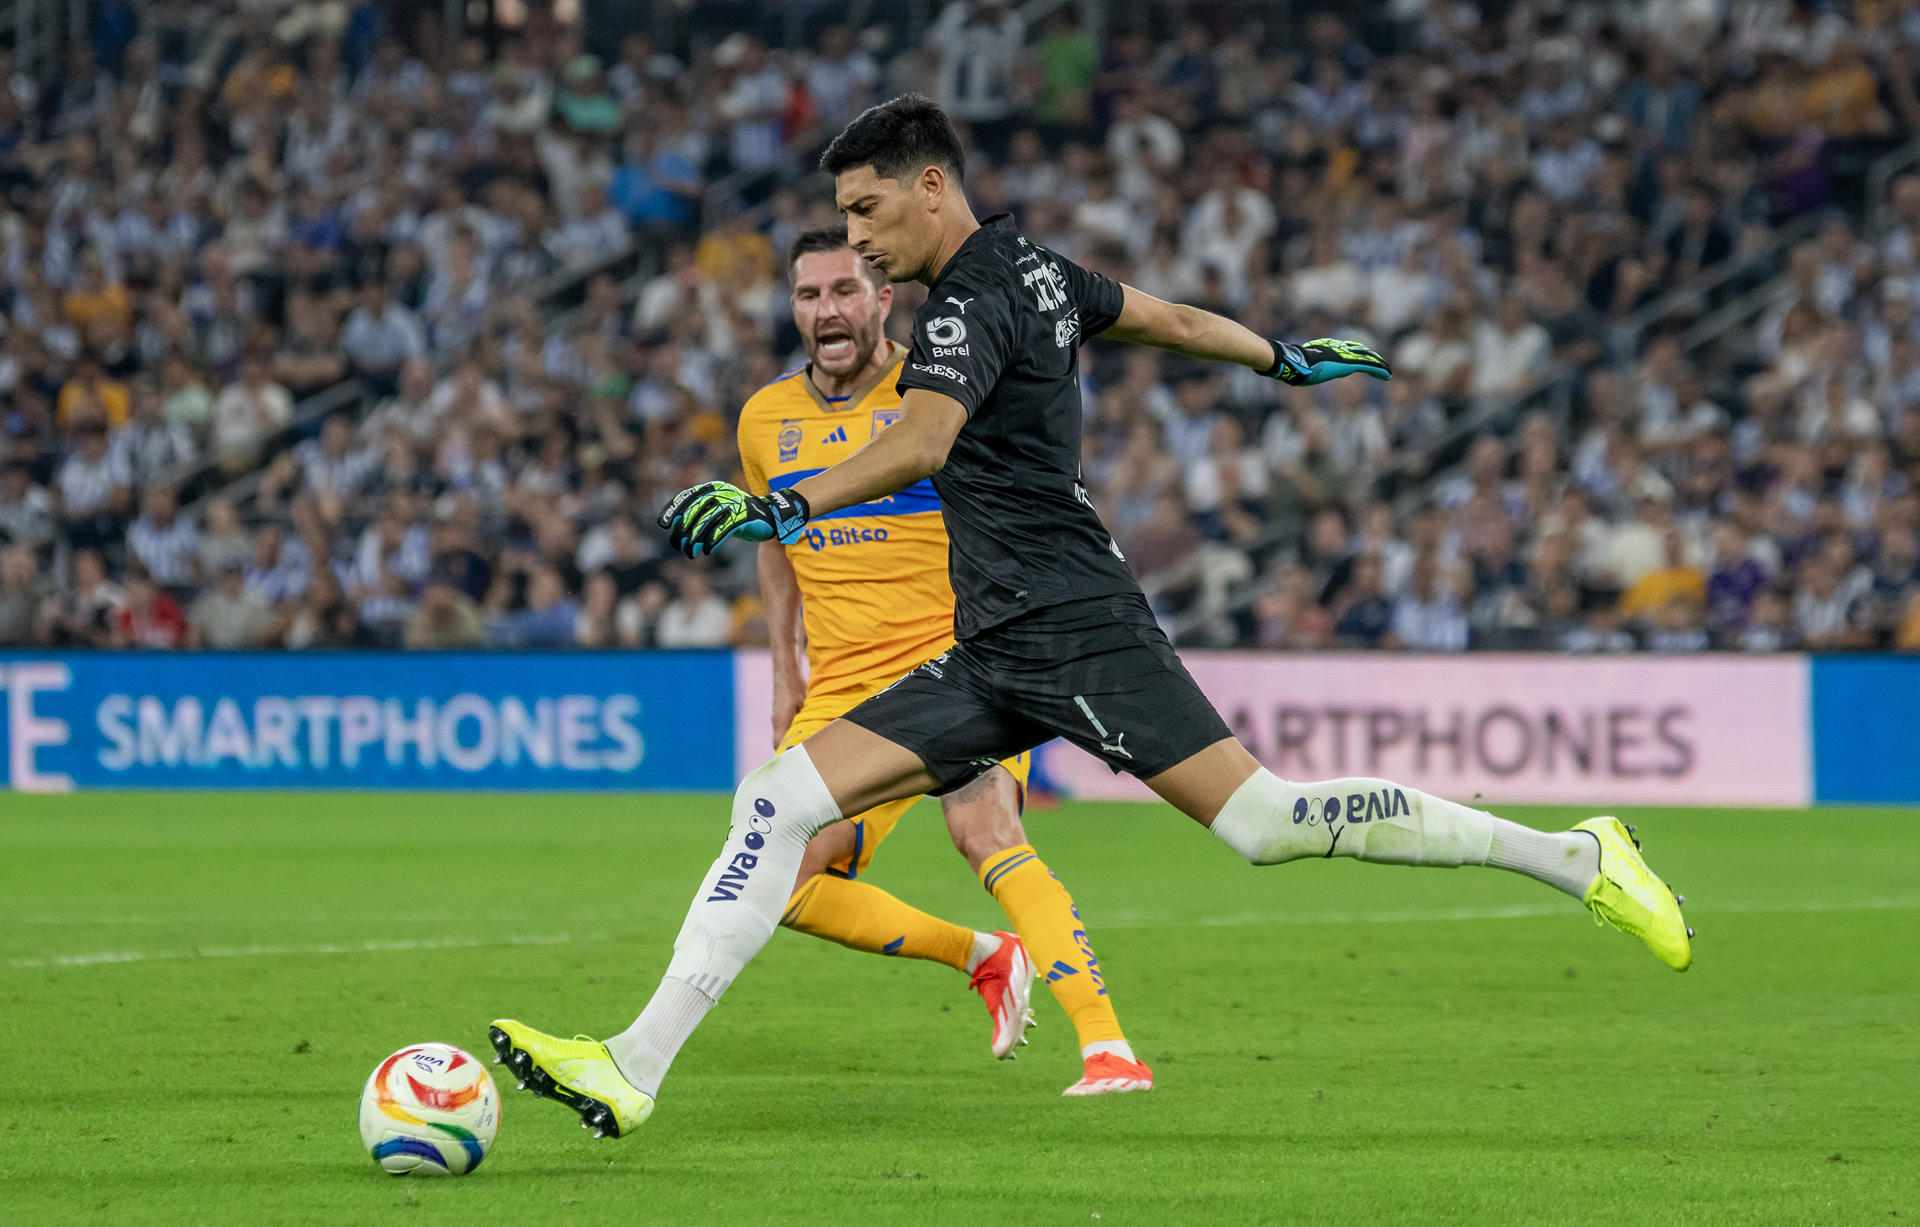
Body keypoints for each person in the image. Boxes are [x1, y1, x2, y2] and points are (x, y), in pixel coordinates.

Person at [490, 96, 1693, 1140]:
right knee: (776, 799)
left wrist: (777, 507)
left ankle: (1576, 855)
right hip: (994, 645)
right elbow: (1161, 317)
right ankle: (631, 1067)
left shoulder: (966, 303)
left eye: (864, 212)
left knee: (1267, 825)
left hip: (1074, 625)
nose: (854, 238)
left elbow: (919, 438)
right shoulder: (1040, 271)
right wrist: (1277, 356)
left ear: (929, 187)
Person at [737, 227, 1147, 1094]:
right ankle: (983, 957)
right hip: (845, 682)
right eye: (809, 295)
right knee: (779, 877)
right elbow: (772, 544)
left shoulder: (940, 388)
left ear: (884, 299)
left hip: (961, 659)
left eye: (845, 290)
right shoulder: (764, 418)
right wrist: (786, 670)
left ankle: (1108, 1047)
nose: (827, 311)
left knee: (986, 832)